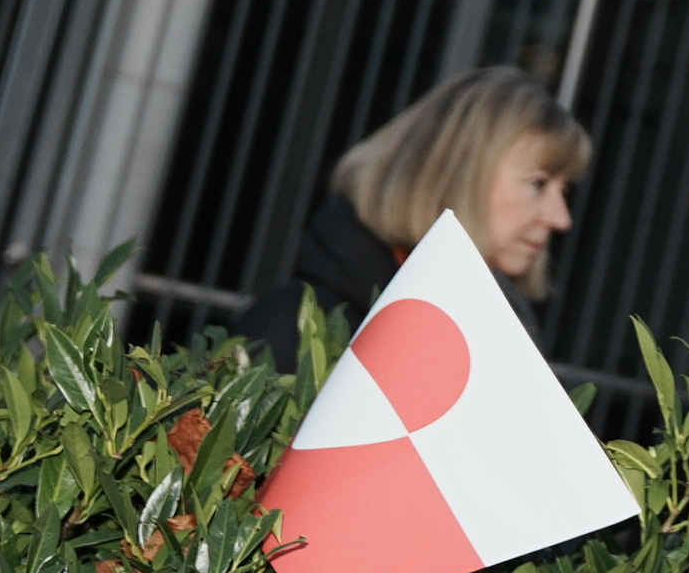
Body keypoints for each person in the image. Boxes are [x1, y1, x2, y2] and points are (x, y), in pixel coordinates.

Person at [232, 64, 588, 356]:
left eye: (565, 190)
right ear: (456, 174)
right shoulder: (291, 334)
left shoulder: (493, 337)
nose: (560, 218)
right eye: (538, 184)